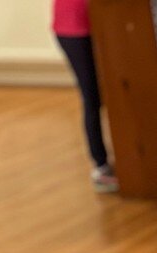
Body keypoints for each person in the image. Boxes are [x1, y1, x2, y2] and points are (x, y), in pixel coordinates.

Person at [52, 0, 118, 192]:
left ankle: (125, 159)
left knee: (110, 95)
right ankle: (101, 166)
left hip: (99, 24)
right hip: (74, 29)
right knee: (92, 97)